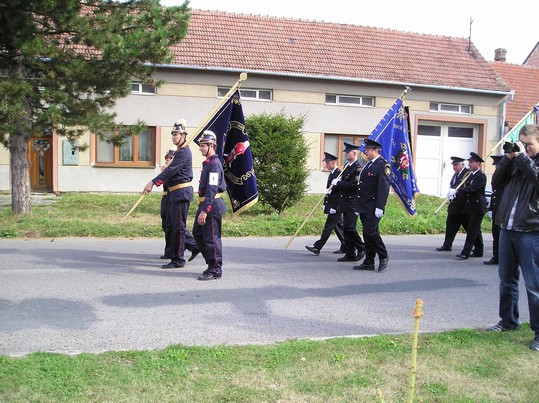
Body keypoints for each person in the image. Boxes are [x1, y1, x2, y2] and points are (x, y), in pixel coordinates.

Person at [488, 124, 539, 351]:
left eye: (529, 144)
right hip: (508, 227)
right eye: (523, 143)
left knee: (534, 285)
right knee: (507, 279)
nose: (525, 148)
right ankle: (508, 321)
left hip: (531, 230)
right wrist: (509, 159)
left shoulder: (528, 162)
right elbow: (496, 183)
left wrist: (521, 158)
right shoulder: (517, 161)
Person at [143, 119, 199, 269]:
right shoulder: (178, 152)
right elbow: (170, 172)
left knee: (178, 228)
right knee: (174, 226)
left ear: (184, 136)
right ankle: (191, 248)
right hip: (175, 193)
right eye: (173, 134)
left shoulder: (184, 151)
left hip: (182, 193)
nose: (174, 137)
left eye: (177, 134)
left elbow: (170, 170)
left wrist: (153, 182)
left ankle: (178, 259)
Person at [193, 130, 227, 281]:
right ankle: (211, 263)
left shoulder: (213, 164)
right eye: (200, 145)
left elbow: (212, 189)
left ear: (211, 146)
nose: (200, 148)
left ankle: (215, 269)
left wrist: (205, 211)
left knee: (211, 238)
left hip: (212, 205)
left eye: (202, 145)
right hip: (206, 204)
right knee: (198, 233)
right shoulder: (208, 163)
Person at [353, 139, 391, 272]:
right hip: (364, 206)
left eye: (368, 150)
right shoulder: (368, 165)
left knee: (371, 232)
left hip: (374, 206)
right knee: (367, 234)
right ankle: (369, 261)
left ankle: (383, 255)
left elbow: (384, 188)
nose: (365, 152)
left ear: (375, 150)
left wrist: (380, 206)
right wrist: (358, 206)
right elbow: (361, 187)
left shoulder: (382, 165)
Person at [305, 152, 346, 255]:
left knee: (328, 227)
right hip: (331, 204)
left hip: (335, 206)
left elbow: (339, 193)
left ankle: (317, 247)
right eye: (325, 163)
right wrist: (325, 203)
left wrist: (334, 207)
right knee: (338, 226)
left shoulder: (339, 174)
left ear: (333, 162)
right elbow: (330, 191)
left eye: (327, 163)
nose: (326, 165)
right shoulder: (332, 173)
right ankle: (346, 245)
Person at [331, 142, 366, 262]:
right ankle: (350, 253)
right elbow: (342, 184)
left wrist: (339, 183)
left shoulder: (358, 168)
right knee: (346, 228)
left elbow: (353, 186)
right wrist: (334, 187)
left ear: (354, 153)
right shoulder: (347, 166)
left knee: (349, 227)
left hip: (352, 202)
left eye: (347, 152)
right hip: (344, 201)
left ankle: (361, 247)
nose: (345, 154)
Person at [448, 152, 487, 260]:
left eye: (471, 162)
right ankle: (479, 250)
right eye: (469, 162)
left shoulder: (481, 176)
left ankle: (466, 252)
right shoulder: (471, 175)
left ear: (478, 163)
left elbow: (472, 189)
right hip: (471, 206)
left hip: (478, 206)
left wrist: (457, 190)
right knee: (475, 229)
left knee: (472, 230)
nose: (469, 164)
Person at [436, 156, 470, 252]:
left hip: (463, 207)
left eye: (456, 165)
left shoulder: (467, 174)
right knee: (450, 226)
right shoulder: (456, 174)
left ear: (462, 165)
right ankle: (447, 245)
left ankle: (478, 247)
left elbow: (467, 188)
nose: (455, 167)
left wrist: (457, 191)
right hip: (454, 206)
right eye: (454, 165)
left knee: (470, 229)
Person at [483, 155, 504, 265]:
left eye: (497, 165)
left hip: (502, 212)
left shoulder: (504, 176)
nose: (496, 167)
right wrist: (491, 209)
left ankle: (501, 257)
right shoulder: (497, 175)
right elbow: (494, 195)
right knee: (495, 235)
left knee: (500, 237)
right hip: (496, 210)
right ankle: (496, 256)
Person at [160, 148, 175, 260]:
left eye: (170, 158)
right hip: (165, 197)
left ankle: (190, 245)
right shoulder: (166, 170)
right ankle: (168, 251)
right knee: (165, 224)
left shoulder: (174, 170)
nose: (167, 160)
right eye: (166, 158)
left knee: (171, 225)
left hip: (172, 197)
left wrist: (165, 173)